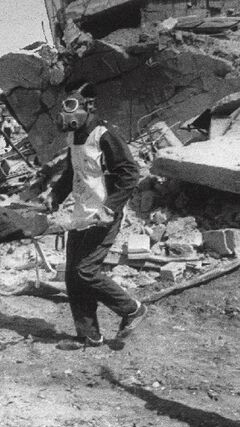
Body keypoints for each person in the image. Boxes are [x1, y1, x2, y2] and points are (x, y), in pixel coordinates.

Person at [44, 81, 147, 350]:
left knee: (85, 271)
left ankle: (131, 309)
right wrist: (55, 196)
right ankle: (89, 336)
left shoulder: (104, 136)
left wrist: (110, 207)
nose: (67, 114)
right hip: (82, 213)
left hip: (104, 214)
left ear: (86, 108)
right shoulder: (73, 137)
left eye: (71, 106)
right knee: (72, 276)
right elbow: (72, 173)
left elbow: (130, 173)